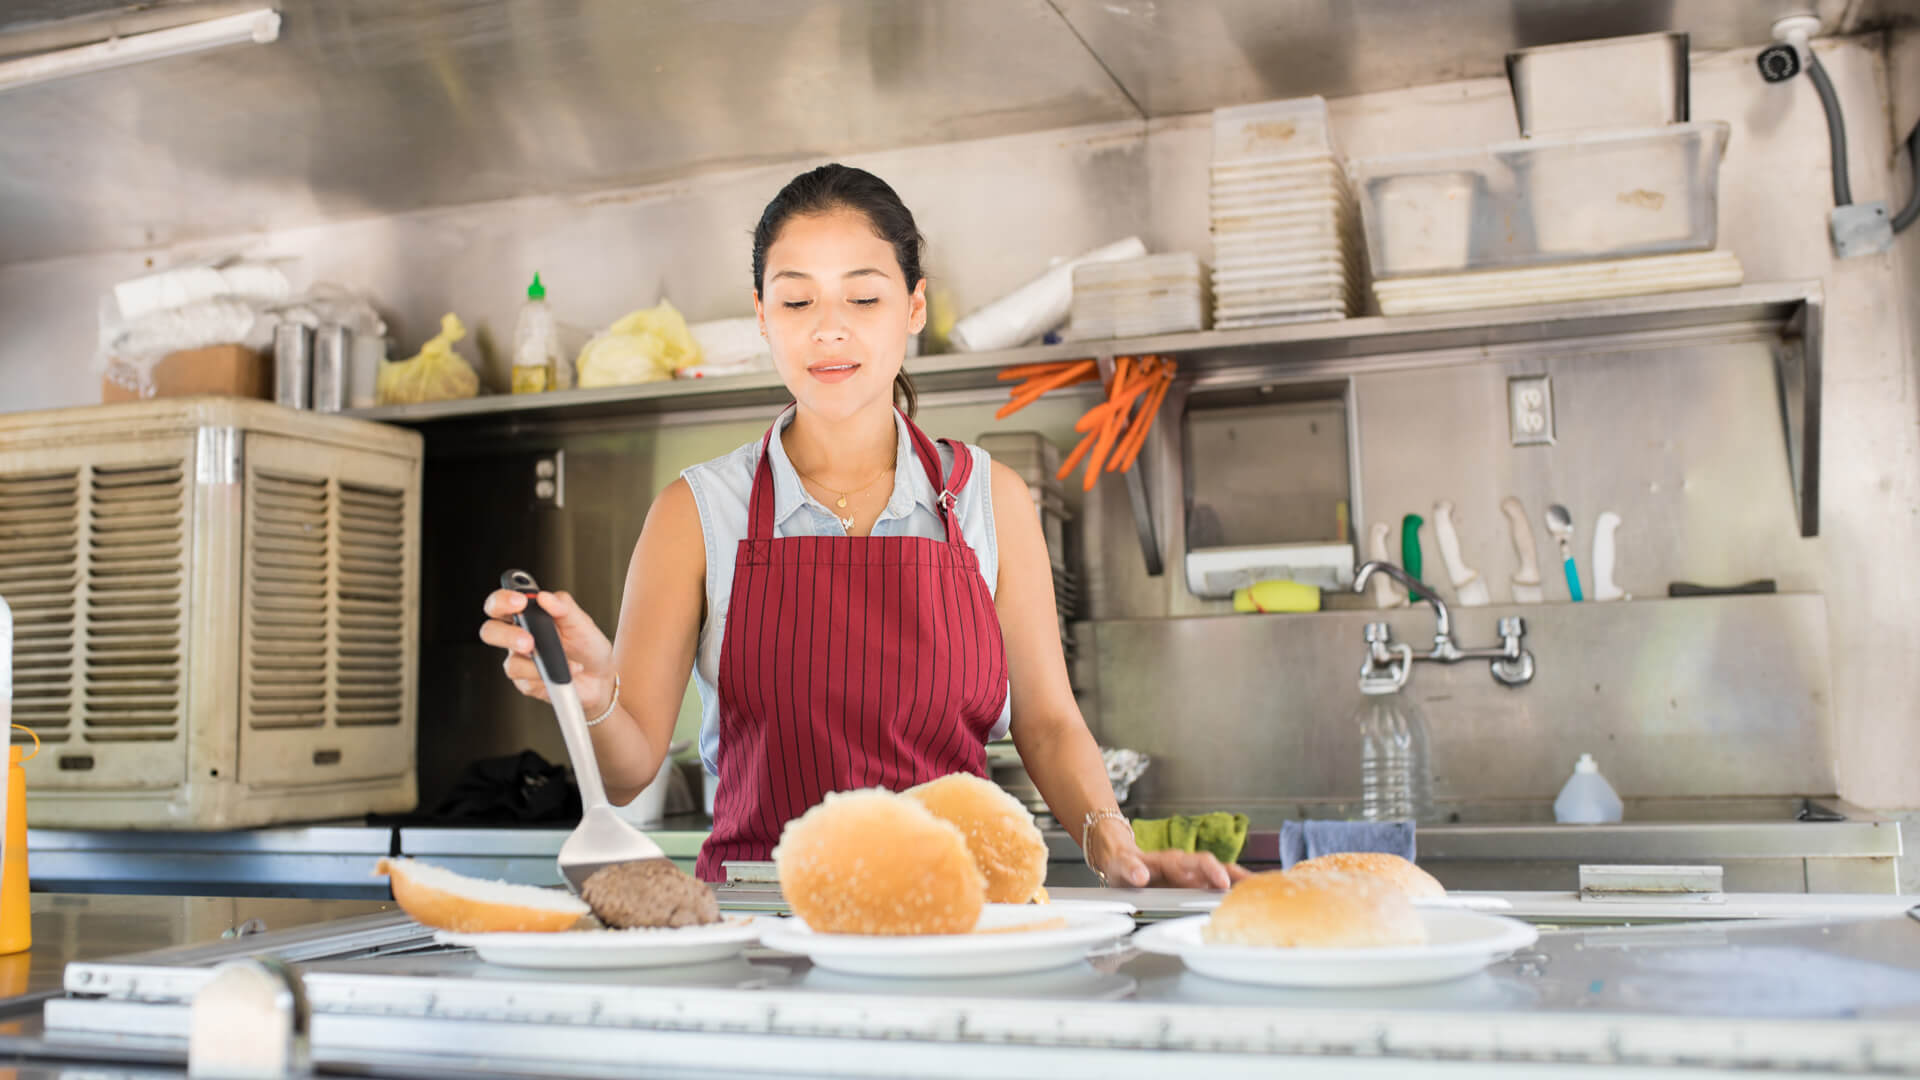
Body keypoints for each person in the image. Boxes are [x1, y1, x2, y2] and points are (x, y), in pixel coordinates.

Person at [481, 163, 1248, 889]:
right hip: (768, 917)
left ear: (913, 307)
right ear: (761, 316)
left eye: (863, 297)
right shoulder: (695, 513)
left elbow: (1047, 723)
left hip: (953, 914)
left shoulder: (991, 500)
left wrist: (1115, 843)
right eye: (797, 299)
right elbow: (628, 768)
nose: (829, 330)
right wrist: (589, 698)